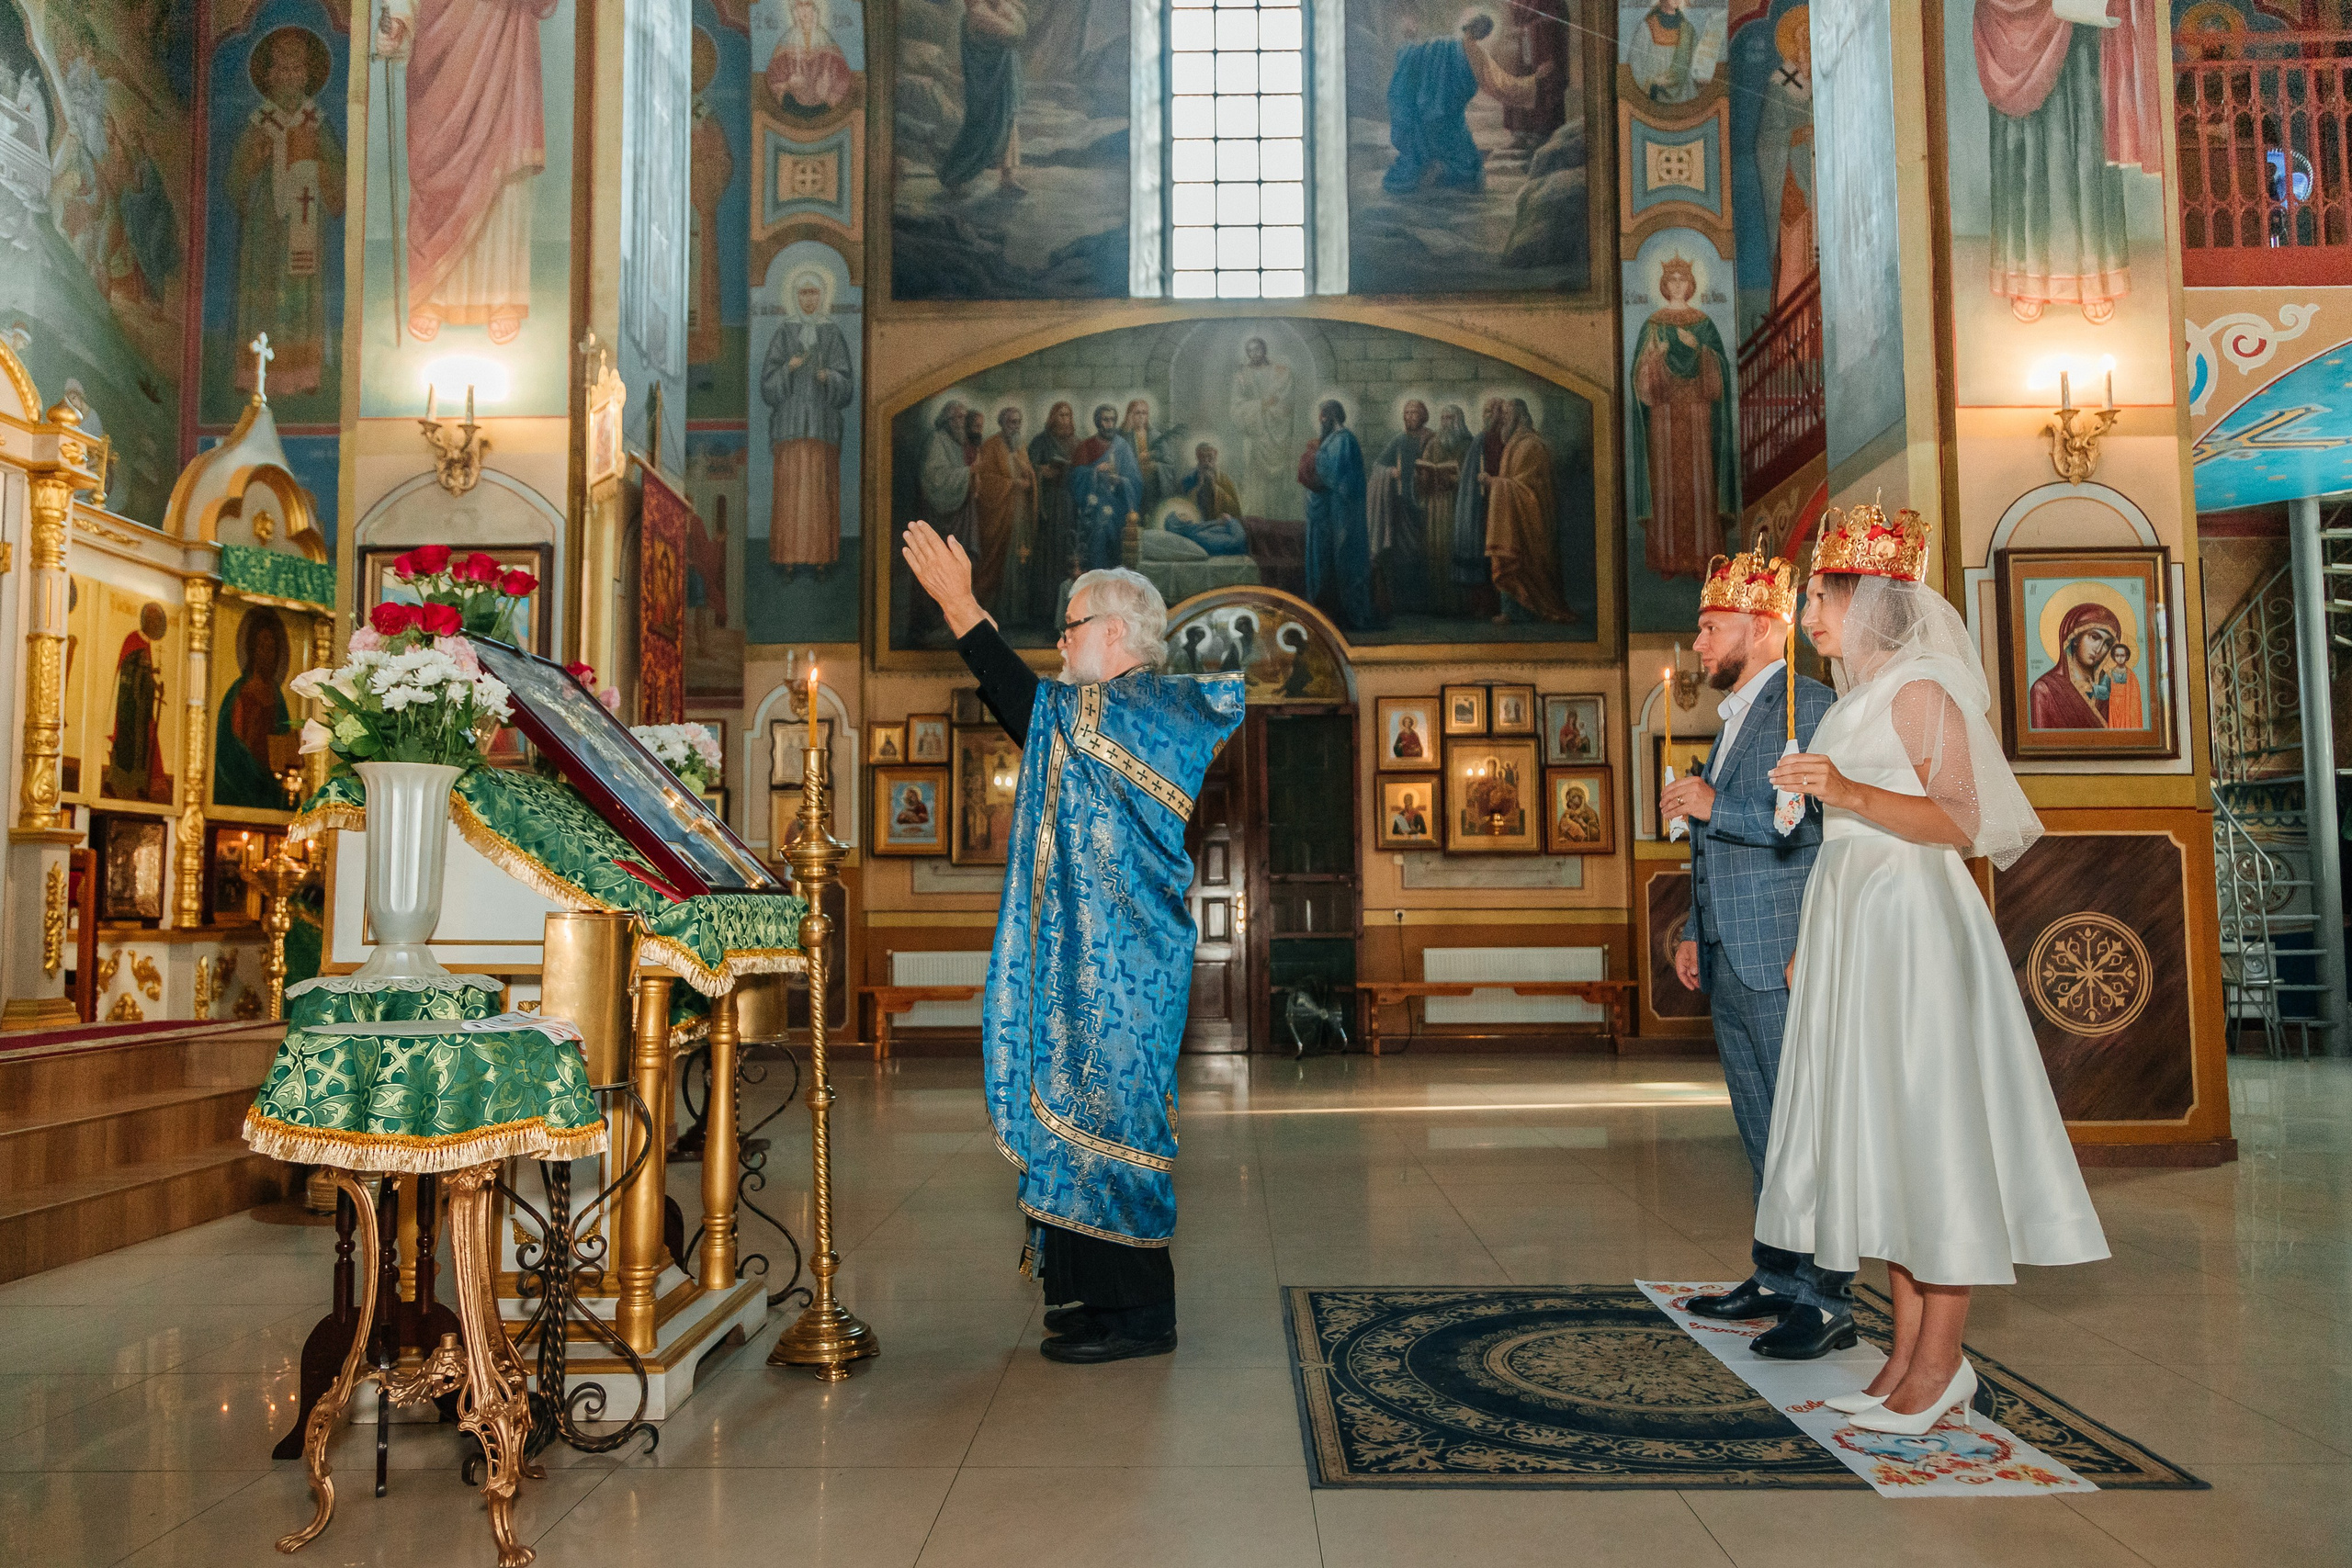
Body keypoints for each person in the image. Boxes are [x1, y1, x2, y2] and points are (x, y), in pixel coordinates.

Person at [1761, 505, 2108, 1432]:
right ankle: (1904, 1362)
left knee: (1931, 1134)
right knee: (1886, 1138)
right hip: (1855, 921)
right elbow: (1841, 828)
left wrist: (1850, 791)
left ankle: (1940, 1363)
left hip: (1911, 924)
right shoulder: (1847, 700)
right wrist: (1811, 934)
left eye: (1817, 599)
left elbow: (1966, 821)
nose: (1807, 617)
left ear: (1866, 597)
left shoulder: (1919, 689)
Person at [900, 520, 1245, 1364]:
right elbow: (1046, 724)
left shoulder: (1147, 712)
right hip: (1085, 955)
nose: (1059, 639)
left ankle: (1144, 1315)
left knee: (1117, 1120)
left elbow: (1033, 708)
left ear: (1118, 634)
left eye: (1072, 624)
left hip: (1128, 965)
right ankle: (1093, 1296)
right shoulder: (1096, 719)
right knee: (1077, 1116)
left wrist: (963, 609)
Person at [1661, 541, 1853, 1359]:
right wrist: (1689, 928)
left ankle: (1825, 1299)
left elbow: (1818, 821)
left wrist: (1712, 802)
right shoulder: (1742, 712)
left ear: (1765, 623)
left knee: (1803, 1127)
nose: (1699, 644)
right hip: (1731, 948)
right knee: (1760, 1123)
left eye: (1712, 627)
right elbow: (1728, 836)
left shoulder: (1806, 706)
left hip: (1782, 950)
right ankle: (1776, 1272)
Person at [377, 0, 551, 344]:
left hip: (504, 39)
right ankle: (432, 296)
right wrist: (397, 18)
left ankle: (501, 298)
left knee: (502, 161)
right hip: (439, 46)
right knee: (436, 165)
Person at [228, 28, 343, 400]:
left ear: (308, 76)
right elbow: (234, 180)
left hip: (303, 222)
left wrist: (319, 168)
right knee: (263, 298)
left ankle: (304, 375)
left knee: (301, 298)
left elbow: (339, 176)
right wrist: (255, 161)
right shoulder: (259, 122)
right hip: (264, 227)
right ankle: (258, 378)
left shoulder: (317, 122)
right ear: (270, 75)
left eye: (298, 70)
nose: (290, 77)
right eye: (283, 69)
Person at [1631, 255, 1738, 581]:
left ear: (1691, 284)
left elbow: (1721, 373)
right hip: (1663, 418)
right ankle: (1669, 559)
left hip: (1697, 417)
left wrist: (1700, 349)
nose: (1677, 284)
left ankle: (1703, 558)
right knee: (1667, 487)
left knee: (1699, 485)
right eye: (1671, 280)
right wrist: (1656, 358)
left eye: (1682, 279)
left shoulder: (1704, 324)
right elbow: (1639, 380)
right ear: (1664, 285)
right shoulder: (1653, 325)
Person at [1382, 12, 1551, 193]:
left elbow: (1411, 54)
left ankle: (1428, 168)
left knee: (1434, 156)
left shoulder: (1440, 45)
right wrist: (1535, 80)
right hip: (1451, 127)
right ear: (1484, 34)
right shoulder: (1477, 55)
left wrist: (1408, 39)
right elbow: (1503, 87)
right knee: (1469, 168)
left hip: (1428, 121)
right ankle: (1440, 172)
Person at [762, 269, 854, 576]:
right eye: (803, 293)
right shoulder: (784, 333)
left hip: (821, 427)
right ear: (795, 296)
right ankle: (787, 558)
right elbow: (767, 385)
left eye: (814, 293)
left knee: (819, 493)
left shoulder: (833, 333)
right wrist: (789, 366)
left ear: (823, 295)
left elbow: (847, 384)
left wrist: (830, 377)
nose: (809, 299)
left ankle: (821, 558)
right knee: (790, 493)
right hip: (789, 426)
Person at [1481, 398, 1573, 624]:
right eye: (1501, 415)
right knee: (1509, 556)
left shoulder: (1531, 445)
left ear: (1520, 416)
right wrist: (1500, 483)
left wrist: (1495, 483)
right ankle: (1511, 611)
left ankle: (1527, 611)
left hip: (1531, 519)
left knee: (1523, 560)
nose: (1502, 418)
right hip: (1514, 515)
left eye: (1507, 414)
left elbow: (1529, 490)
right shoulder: (1514, 443)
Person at [1303, 400, 1377, 632]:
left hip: (1345, 511)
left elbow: (1333, 473)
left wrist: (1314, 456)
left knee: (1347, 558)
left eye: (1322, 415)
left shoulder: (1343, 439)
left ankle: (1352, 615)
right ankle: (1334, 613)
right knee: (1332, 559)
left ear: (1330, 416)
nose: (1320, 420)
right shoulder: (1334, 440)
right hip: (1334, 510)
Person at [939, 0, 1027, 195]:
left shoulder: (990, 8)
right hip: (988, 86)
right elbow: (1016, 34)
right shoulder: (979, 13)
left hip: (1001, 82)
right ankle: (953, 176)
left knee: (1009, 125)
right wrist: (1009, 10)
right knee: (982, 130)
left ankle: (1007, 177)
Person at [971, 405, 1036, 616]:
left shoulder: (1021, 447)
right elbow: (985, 480)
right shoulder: (991, 446)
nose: (1015, 427)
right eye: (1011, 422)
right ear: (1001, 423)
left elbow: (1029, 474)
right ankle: (993, 611)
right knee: (996, 558)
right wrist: (1013, 483)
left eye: (1018, 422)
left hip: (1019, 511)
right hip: (998, 513)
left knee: (1019, 556)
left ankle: (1015, 612)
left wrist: (1030, 482)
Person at [1372, 400, 1435, 615]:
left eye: (1414, 413)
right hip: (1402, 504)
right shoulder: (1399, 440)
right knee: (1402, 555)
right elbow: (1378, 465)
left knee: (1424, 552)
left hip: (1428, 503)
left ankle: (1424, 603)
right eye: (1406, 413)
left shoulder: (1431, 438)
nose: (1409, 417)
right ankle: (1403, 603)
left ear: (1423, 415)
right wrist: (1390, 472)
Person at [1229, 337, 1299, 522]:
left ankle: (1277, 527)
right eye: (1250, 351)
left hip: (1276, 437)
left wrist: (1272, 407)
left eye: (1258, 349)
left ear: (1264, 350)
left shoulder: (1278, 372)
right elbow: (1236, 409)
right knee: (1255, 489)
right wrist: (1261, 405)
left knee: (1275, 493)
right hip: (1255, 438)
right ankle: (1255, 528)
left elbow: (1286, 404)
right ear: (1247, 353)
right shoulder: (1242, 376)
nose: (1254, 354)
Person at [2028, 601, 2126, 729]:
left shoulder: (2110, 687)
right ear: (2074, 638)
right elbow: (2040, 743)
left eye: (2107, 643)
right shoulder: (2045, 689)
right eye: (2094, 637)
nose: (2099, 648)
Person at [1026, 401, 1081, 625]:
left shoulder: (1077, 444)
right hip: (1047, 504)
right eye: (1061, 415)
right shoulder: (1040, 441)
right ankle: (1043, 609)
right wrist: (1041, 472)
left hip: (1068, 503)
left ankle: (1068, 611)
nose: (1065, 419)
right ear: (1052, 417)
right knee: (1045, 553)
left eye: (1068, 415)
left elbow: (1082, 473)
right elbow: (1028, 468)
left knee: (1065, 549)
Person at [1069, 403, 1142, 570]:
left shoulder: (1123, 446)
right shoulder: (1086, 446)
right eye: (1105, 420)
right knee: (1100, 528)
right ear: (1097, 422)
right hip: (1093, 505)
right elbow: (1075, 478)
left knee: (1112, 528)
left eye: (1112, 420)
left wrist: (1121, 481)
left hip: (1119, 505)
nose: (1109, 424)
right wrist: (1094, 471)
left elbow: (1136, 481)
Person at [764, 0, 853, 115]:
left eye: (808, 5)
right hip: (791, 106)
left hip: (825, 110)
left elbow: (843, 79)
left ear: (816, 9)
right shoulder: (785, 43)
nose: (804, 11)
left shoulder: (827, 41)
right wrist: (788, 84)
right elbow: (773, 81)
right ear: (794, 10)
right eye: (800, 5)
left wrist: (828, 91)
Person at [1173, 443, 1251, 556]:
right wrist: (1198, 487)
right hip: (1198, 527)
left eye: (1210, 458)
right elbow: (1181, 505)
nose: (1206, 462)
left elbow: (1235, 508)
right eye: (1203, 458)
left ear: (1215, 458)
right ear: (1198, 459)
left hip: (1221, 526)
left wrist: (1216, 489)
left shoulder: (1225, 481)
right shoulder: (1188, 480)